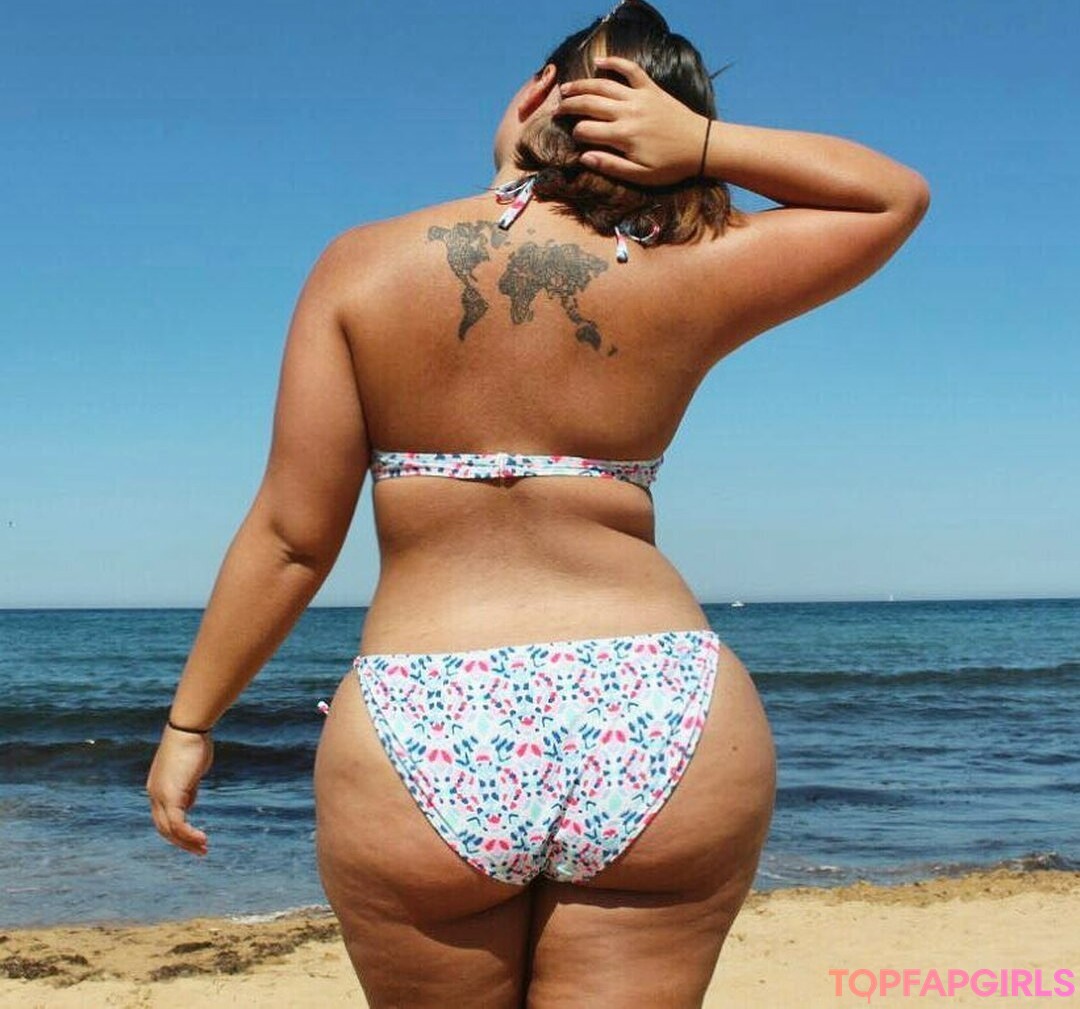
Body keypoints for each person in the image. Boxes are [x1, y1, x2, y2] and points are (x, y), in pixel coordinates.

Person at [146, 1, 929, 1005]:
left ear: (535, 97)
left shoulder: (364, 266)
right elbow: (891, 197)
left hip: (427, 717)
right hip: (658, 707)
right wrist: (703, 146)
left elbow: (294, 538)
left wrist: (191, 723)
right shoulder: (689, 269)